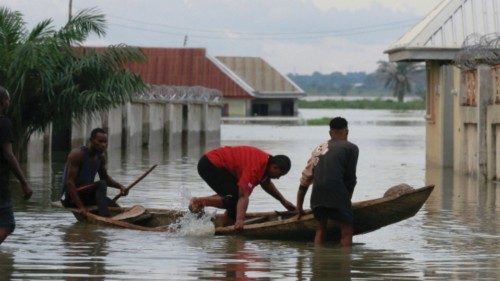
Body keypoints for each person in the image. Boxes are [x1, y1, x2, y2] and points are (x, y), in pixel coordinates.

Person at [190, 146, 296, 230]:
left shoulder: (266, 164)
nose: (277, 178)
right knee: (235, 199)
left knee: (236, 203)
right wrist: (240, 220)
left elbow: (266, 184)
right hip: (210, 164)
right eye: (279, 174)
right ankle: (198, 202)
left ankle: (225, 227)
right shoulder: (255, 167)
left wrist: (283, 201)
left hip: (218, 165)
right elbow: (243, 195)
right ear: (274, 167)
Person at [296, 117, 359, 247]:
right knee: (346, 231)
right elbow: (351, 178)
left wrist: (299, 208)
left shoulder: (319, 148)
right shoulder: (351, 147)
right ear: (347, 132)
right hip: (337, 193)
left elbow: (305, 179)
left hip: (317, 196)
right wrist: (347, 201)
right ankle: (345, 263)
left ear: (330, 133)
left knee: (320, 230)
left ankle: (318, 259)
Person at [60, 128, 128, 217]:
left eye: (105, 142)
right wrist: (81, 207)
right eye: (100, 141)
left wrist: (121, 187)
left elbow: (105, 178)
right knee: (101, 184)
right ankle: (105, 217)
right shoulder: (77, 154)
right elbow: (69, 183)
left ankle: (107, 219)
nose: (103, 145)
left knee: (117, 209)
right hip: (71, 198)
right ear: (91, 140)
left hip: (86, 196)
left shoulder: (100, 158)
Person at [0, 86, 33, 245]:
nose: (9, 102)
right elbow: (8, 154)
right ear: (2, 102)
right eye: (7, 99)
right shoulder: (4, 123)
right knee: (8, 224)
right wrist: (24, 182)